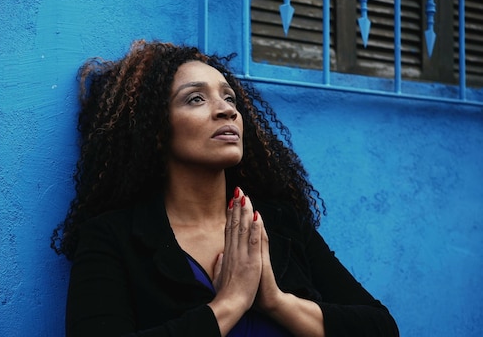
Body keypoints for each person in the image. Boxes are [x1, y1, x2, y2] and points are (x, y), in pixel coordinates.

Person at [51, 40, 399, 336]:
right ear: (155, 132)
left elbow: (381, 328)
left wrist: (275, 301)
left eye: (230, 98)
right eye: (195, 99)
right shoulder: (112, 238)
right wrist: (228, 305)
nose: (226, 111)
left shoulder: (280, 224)